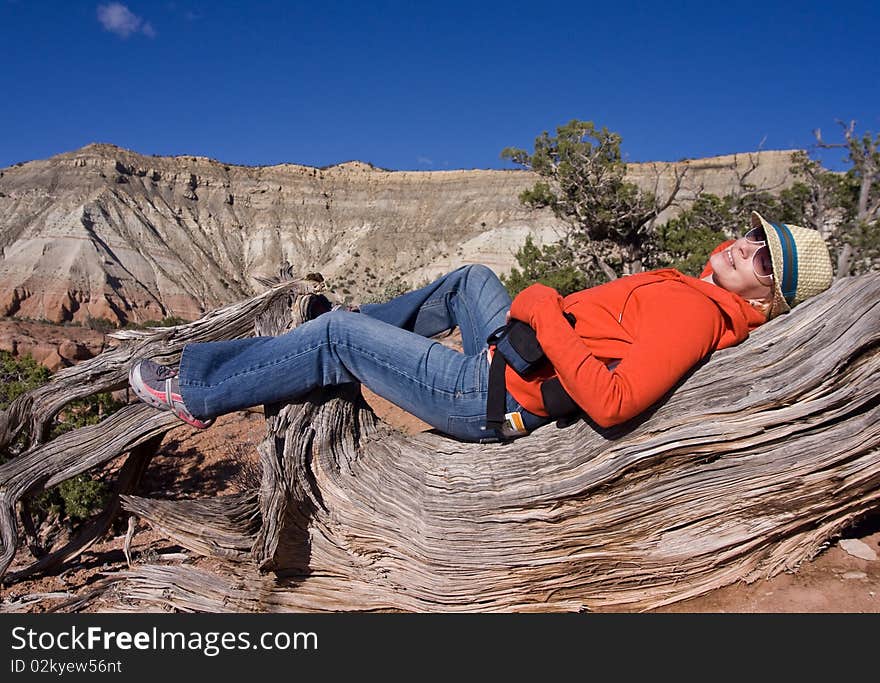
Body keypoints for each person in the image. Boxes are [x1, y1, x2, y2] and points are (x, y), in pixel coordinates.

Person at [129, 211, 833, 442]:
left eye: (764, 258)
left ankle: (197, 388)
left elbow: (615, 404)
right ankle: (330, 337)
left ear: (770, 292)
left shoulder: (696, 311)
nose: (746, 247)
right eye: (754, 236)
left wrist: (546, 309)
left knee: (341, 336)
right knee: (469, 279)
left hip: (491, 395)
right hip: (513, 356)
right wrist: (540, 313)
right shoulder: (693, 289)